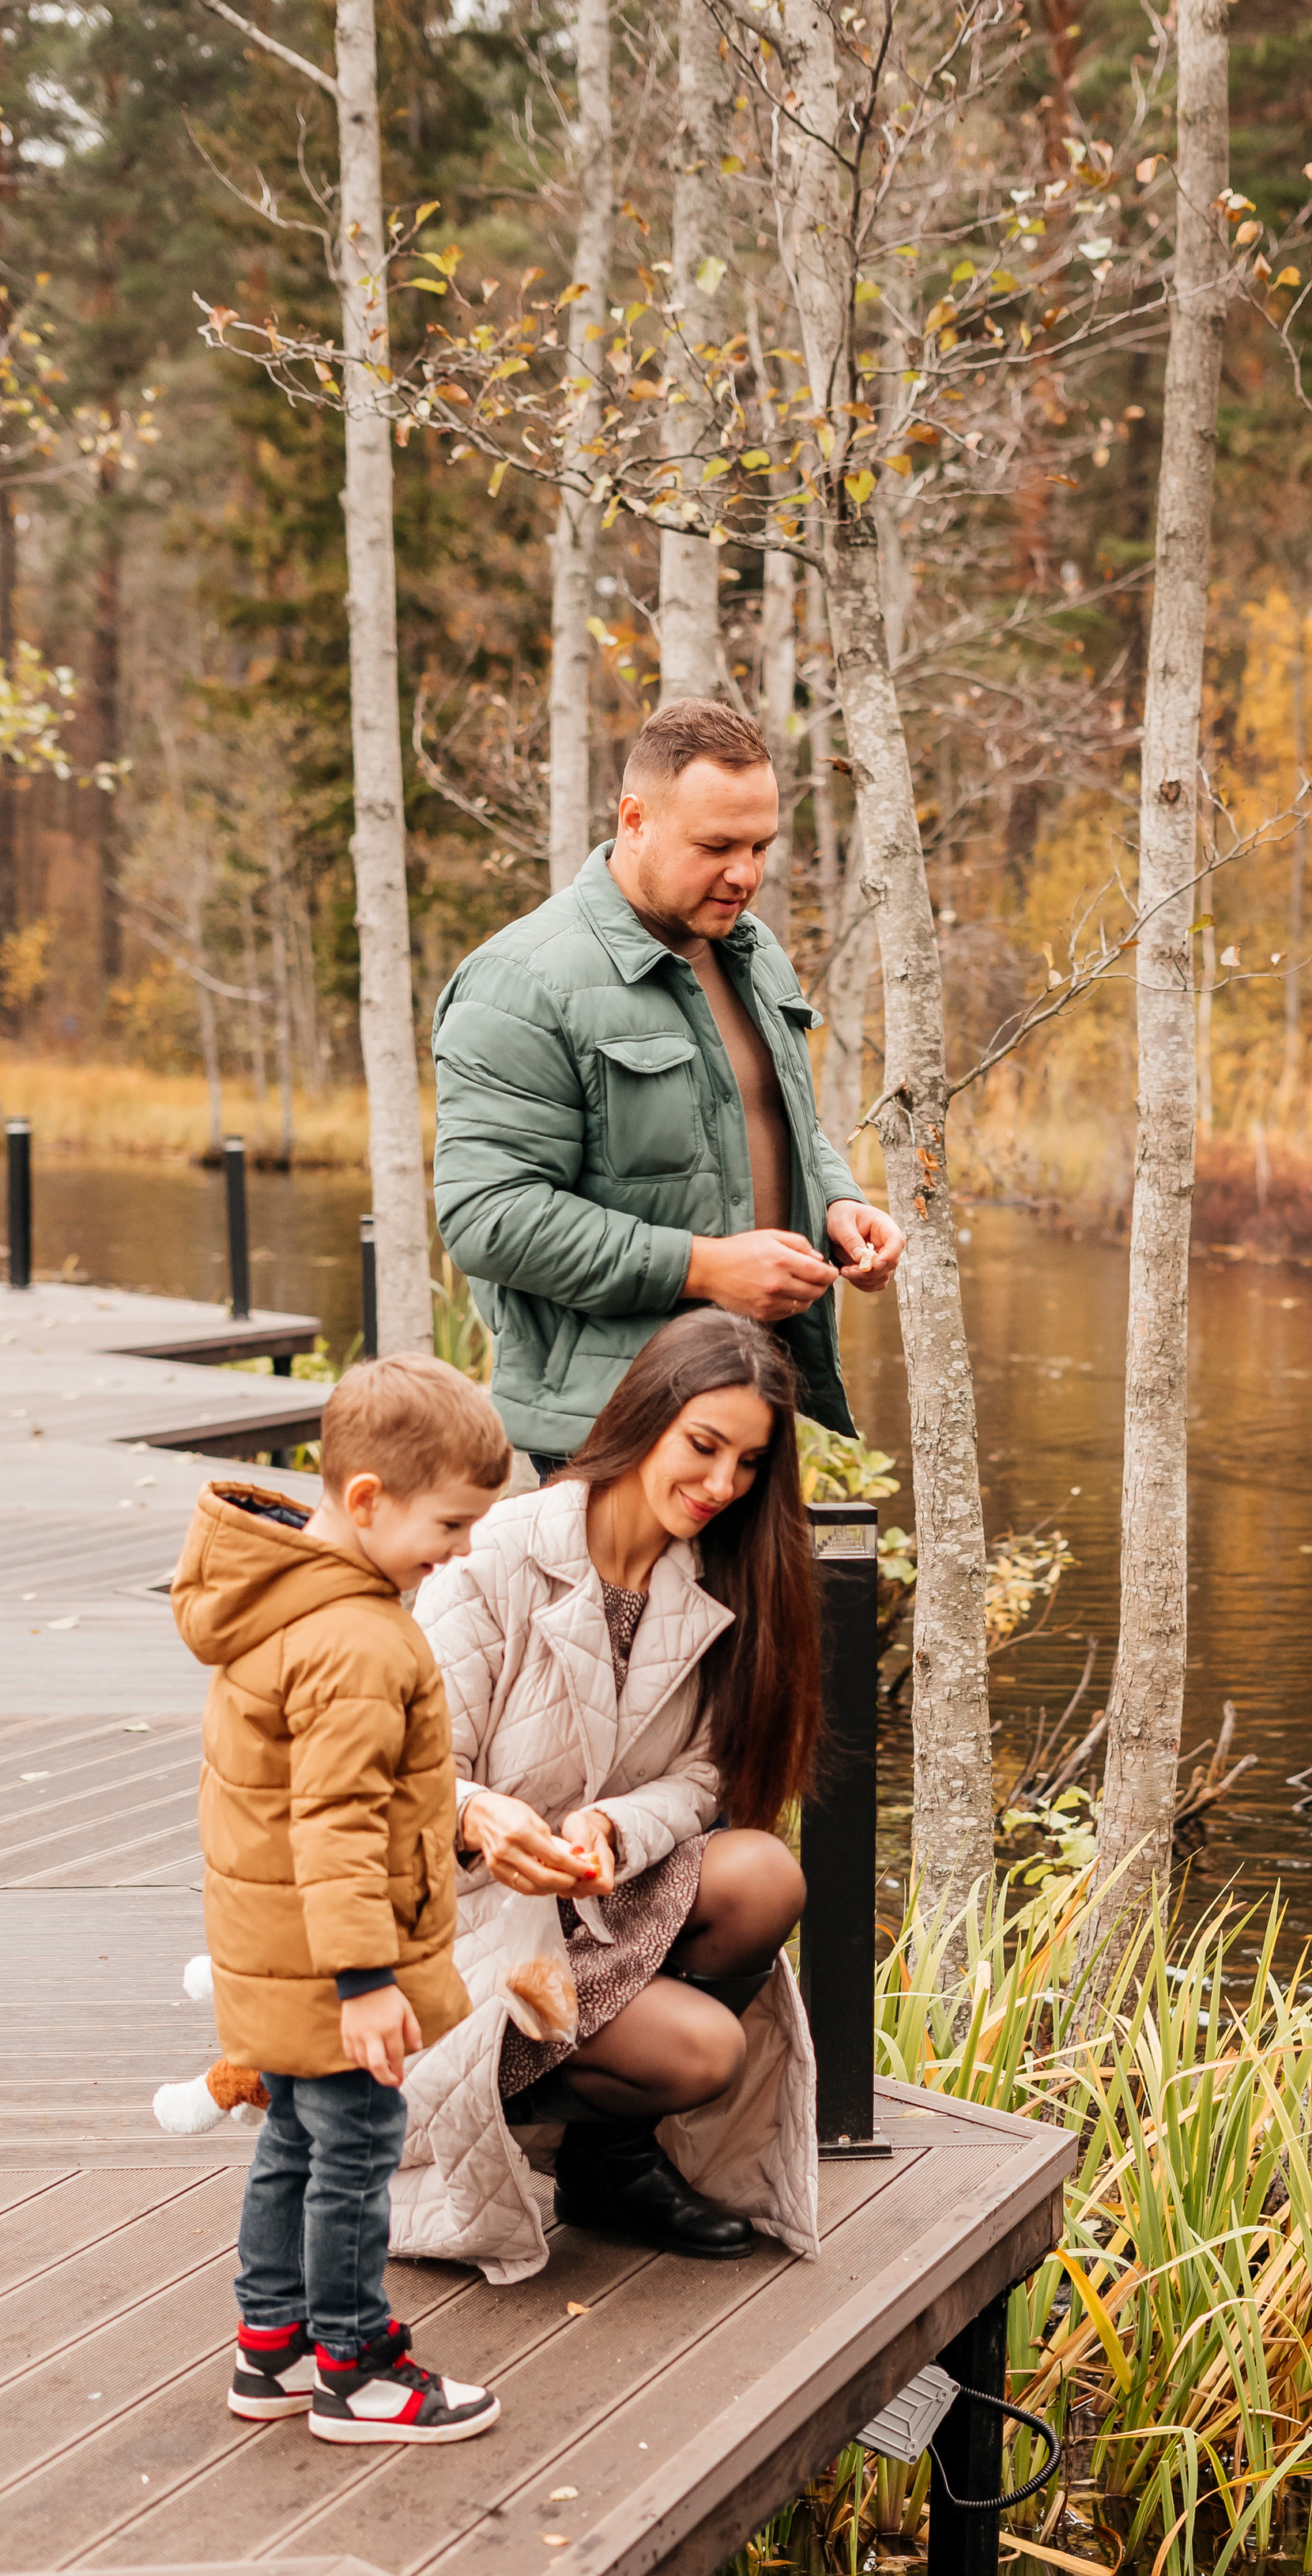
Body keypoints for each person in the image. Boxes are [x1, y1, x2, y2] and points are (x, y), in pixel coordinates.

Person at [395, 1311, 822, 2275]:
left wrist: (613, 1829)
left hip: (593, 1898)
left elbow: (708, 1774)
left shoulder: (727, 1573)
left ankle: (606, 2163)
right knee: (704, 2053)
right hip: (471, 1918)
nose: (722, 1486)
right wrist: (476, 1814)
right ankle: (503, 2108)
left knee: (763, 1874)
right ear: (646, 1417)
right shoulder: (499, 1550)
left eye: (749, 1463)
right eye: (703, 1447)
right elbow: (399, 1764)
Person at [168, 1354, 514, 2444]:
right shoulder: (357, 1639)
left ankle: (269, 2347)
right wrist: (367, 1982)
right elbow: (336, 1826)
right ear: (367, 1500)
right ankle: (355, 2367)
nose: (459, 1553)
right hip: (333, 1966)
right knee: (356, 2153)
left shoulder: (283, 1596)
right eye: (449, 1527)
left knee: (294, 2147)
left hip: (275, 1946)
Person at [431, 696, 906, 1476]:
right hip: (614, 1433)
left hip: (753, 1410)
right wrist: (707, 1266)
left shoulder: (753, 955)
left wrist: (839, 1205)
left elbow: (774, 1121)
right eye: (715, 845)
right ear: (634, 819)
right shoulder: (521, 983)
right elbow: (489, 1218)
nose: (744, 874)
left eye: (760, 846)